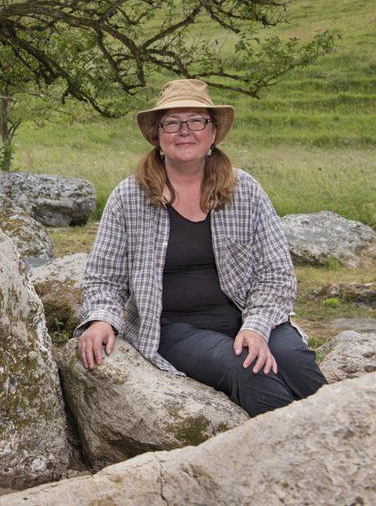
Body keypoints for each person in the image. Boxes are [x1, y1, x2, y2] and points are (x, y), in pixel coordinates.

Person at [76, 79, 326, 417]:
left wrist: (255, 325)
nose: (184, 131)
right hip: (174, 327)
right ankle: (291, 463)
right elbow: (104, 277)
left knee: (298, 365)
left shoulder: (246, 191)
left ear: (212, 134)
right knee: (252, 371)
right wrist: (101, 319)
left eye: (196, 121)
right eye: (172, 123)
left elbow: (277, 274)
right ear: (158, 137)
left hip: (246, 313)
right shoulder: (127, 197)